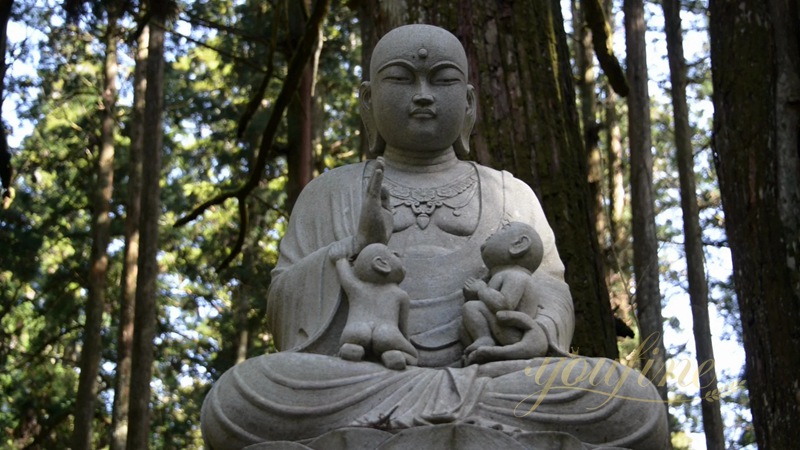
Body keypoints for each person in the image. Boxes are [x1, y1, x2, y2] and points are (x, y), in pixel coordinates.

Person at [201, 24, 668, 450]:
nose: (422, 95)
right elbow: (286, 310)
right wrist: (356, 244)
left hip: (493, 377)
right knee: (240, 396)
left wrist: (532, 336)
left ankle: (420, 421)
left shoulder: (510, 192)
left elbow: (550, 293)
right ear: (367, 100)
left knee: (625, 396)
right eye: (402, 79)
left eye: (441, 80)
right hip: (366, 380)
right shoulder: (330, 192)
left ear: (468, 102)